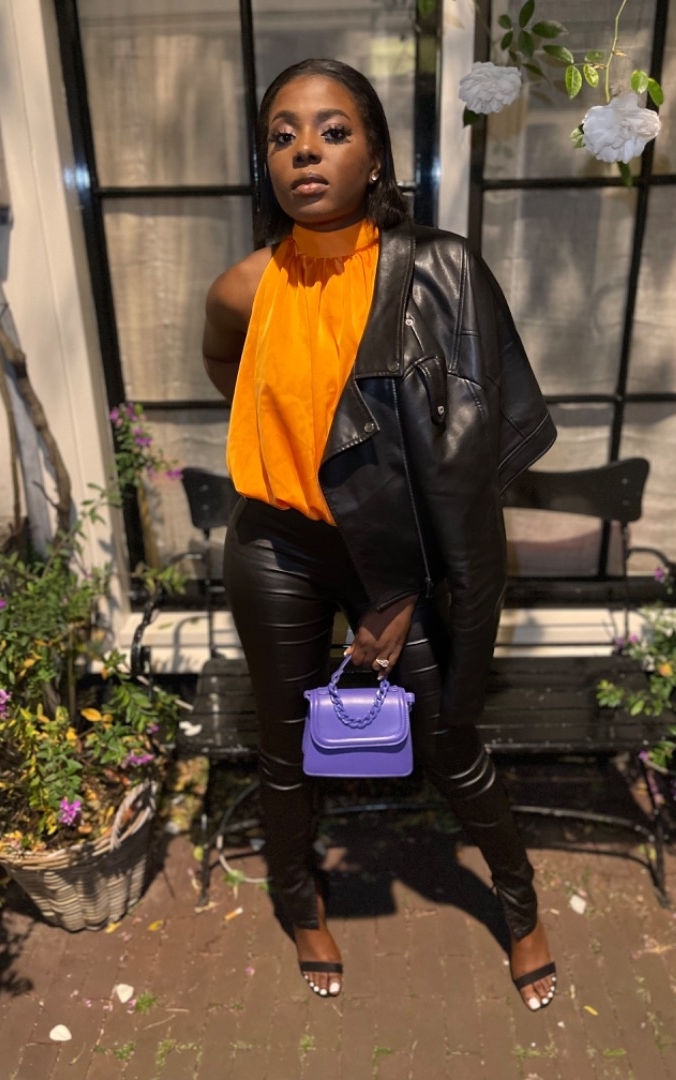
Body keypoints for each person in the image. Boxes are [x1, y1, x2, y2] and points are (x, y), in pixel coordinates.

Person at [202, 58, 558, 1010]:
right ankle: (300, 904)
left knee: (449, 741)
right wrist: (288, 433)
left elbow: (470, 452)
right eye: (282, 135)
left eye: (332, 130)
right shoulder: (243, 288)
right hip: (276, 545)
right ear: (266, 162)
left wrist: (400, 588)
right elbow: (227, 369)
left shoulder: (438, 272)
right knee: (284, 752)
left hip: (401, 548)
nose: (304, 150)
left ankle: (522, 909)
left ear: (374, 157)